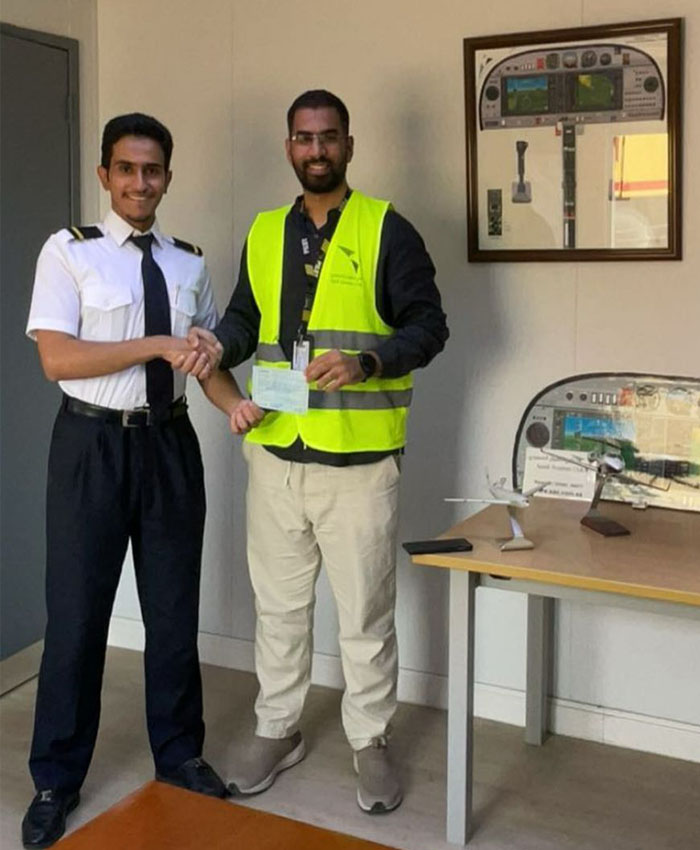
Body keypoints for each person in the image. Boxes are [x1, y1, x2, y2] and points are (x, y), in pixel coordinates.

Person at [188, 89, 448, 814]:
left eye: (328, 137)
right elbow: (246, 321)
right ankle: (277, 729)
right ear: (289, 148)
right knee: (279, 610)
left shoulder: (387, 229)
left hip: (359, 464)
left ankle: (370, 740)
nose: (316, 149)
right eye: (304, 138)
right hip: (275, 453)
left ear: (349, 145)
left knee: (365, 614)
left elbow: (430, 326)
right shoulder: (265, 230)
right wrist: (218, 345)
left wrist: (368, 363)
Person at [21, 113, 255, 849]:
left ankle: (180, 755)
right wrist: (154, 343)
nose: (139, 182)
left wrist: (234, 403)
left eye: (152, 170)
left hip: (170, 446)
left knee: (174, 611)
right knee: (77, 617)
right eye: (126, 169)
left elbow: (203, 362)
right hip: (89, 446)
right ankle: (56, 779)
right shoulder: (68, 253)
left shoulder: (189, 264)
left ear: (167, 178)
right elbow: (57, 359)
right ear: (105, 175)